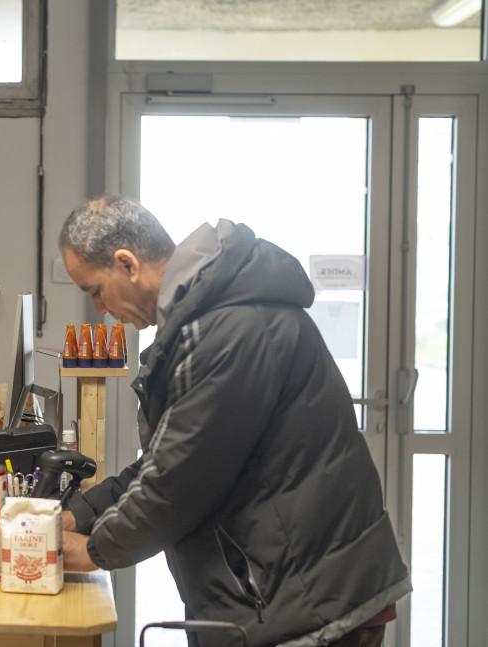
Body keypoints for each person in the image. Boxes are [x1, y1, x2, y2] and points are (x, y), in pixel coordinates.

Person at [57, 195, 410, 647]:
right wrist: (79, 516)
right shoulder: (206, 323)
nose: (100, 310)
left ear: (128, 264)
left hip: (312, 603)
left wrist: (92, 551)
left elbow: (178, 482)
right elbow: (164, 462)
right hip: (287, 594)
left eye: (95, 290)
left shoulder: (232, 329)